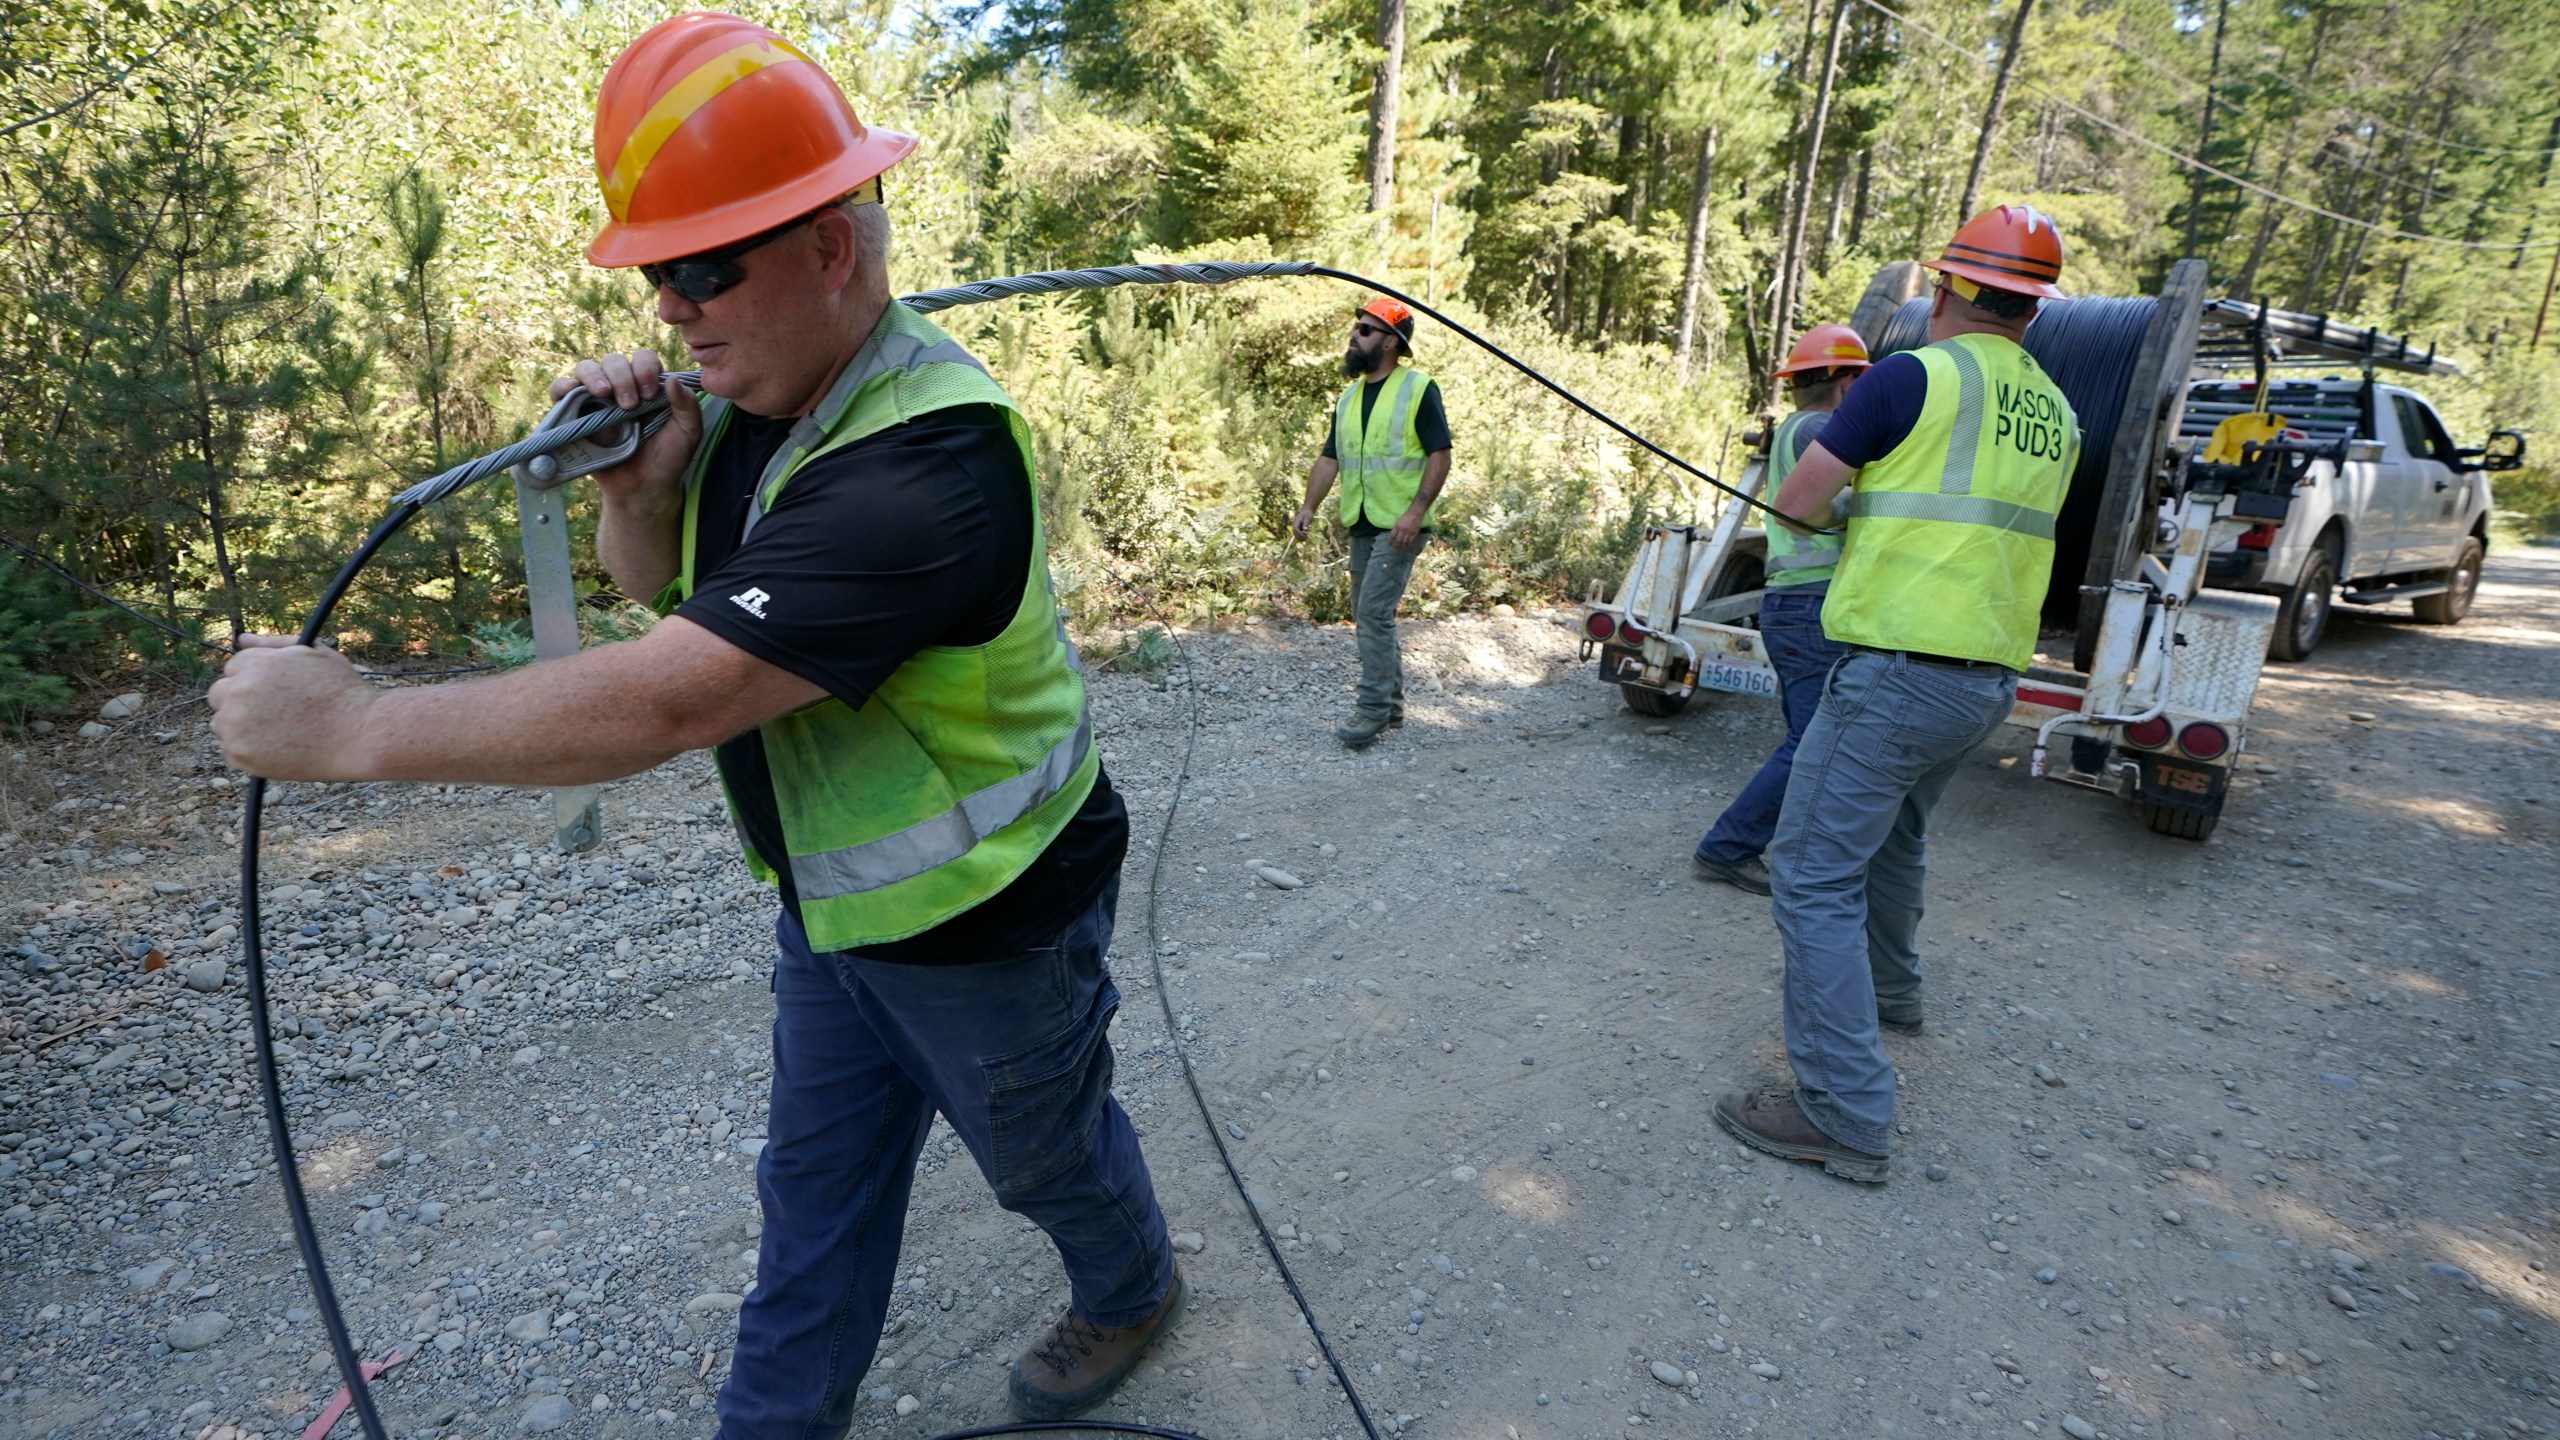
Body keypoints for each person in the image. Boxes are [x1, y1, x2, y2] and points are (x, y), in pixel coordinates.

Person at [206, 14, 1183, 1433]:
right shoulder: (755, 398)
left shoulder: (931, 468)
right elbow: (665, 587)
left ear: (831, 251)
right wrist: (636, 481)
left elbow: (673, 694)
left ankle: (1130, 1283)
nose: (671, 309)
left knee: (1040, 1157)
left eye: (703, 267)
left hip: (991, 923)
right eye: (660, 272)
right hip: (836, 913)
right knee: (812, 1209)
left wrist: (352, 727)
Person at [1713, 205, 2080, 1184]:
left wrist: (1858, 512)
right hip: (1984, 679)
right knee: (1897, 839)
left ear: (1951, 289)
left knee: (1808, 868)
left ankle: (1839, 1111)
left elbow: (1794, 504)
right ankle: (1893, 994)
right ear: (2034, 311)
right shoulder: (2056, 410)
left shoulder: (1910, 376)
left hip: (1897, 670)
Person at [1691, 324, 1871, 896]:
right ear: (1845, 381)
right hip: (1810, 602)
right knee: (1814, 742)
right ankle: (1728, 847)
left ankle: (1782, 843)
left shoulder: (1798, 428)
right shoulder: (1824, 429)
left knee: (1811, 738)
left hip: (1796, 601)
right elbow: (1841, 506)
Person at [1291, 297, 1453, 748]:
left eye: (1365, 330)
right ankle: (1394, 706)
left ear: (1389, 342)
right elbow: (1330, 459)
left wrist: (1416, 512)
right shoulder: (1348, 398)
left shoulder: (1418, 389)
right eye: (1356, 328)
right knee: (1371, 616)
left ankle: (1372, 710)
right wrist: (1308, 506)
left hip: (1400, 524)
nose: (1354, 336)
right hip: (1362, 520)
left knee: (1372, 614)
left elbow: (1440, 455)